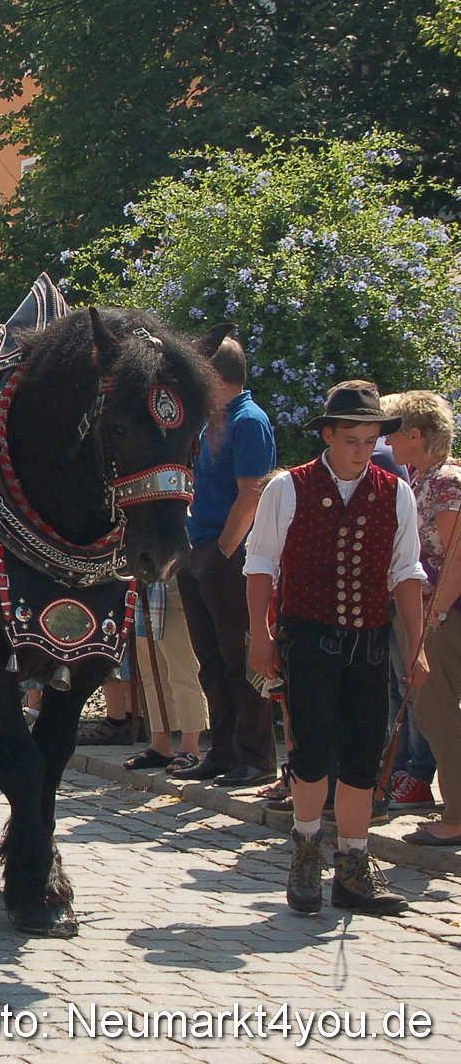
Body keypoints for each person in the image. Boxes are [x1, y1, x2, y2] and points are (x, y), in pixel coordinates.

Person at [246, 381, 426, 915]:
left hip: (369, 639)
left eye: (370, 441)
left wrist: (416, 645)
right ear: (328, 435)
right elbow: (260, 564)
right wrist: (261, 634)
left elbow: (406, 572)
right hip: (306, 635)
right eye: (352, 439)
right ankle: (306, 853)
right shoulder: (288, 488)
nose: (361, 451)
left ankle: (353, 864)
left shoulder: (396, 492)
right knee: (312, 748)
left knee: (363, 752)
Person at [173, 334, 279, 786]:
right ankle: (224, 750)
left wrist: (222, 553)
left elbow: (252, 493)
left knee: (241, 659)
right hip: (198, 548)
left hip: (229, 554)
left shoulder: (248, 420)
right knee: (211, 660)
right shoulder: (210, 421)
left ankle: (256, 758)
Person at [380, 392, 461, 845]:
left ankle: (457, 818)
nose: (386, 442)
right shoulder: (424, 479)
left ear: (415, 435)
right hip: (434, 615)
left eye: (391, 432)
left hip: (445, 619)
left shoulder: (445, 482)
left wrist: (434, 617)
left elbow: (456, 557)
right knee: (433, 714)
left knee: (439, 715)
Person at [122, 581, 209, 770]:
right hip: (145, 592)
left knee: (183, 673)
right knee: (151, 675)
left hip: (174, 588)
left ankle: (190, 747)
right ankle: (160, 745)